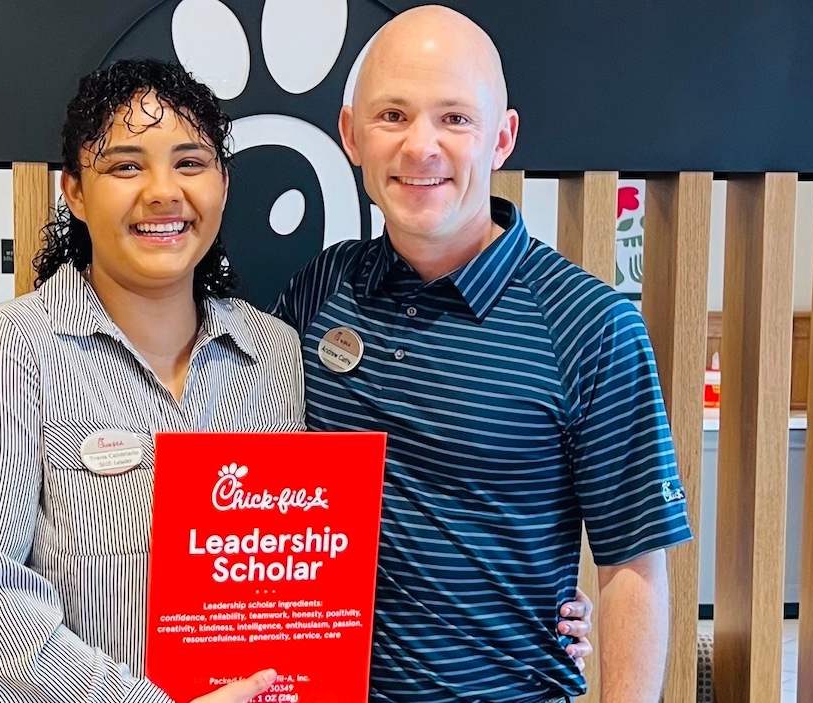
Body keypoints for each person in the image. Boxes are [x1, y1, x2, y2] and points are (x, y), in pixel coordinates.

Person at [272, 6, 692, 702]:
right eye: (392, 115)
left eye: (455, 119)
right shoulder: (318, 288)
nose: (420, 146)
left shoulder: (592, 324)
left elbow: (632, 568)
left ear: (501, 138)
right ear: (351, 134)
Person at [0, 59, 298, 703]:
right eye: (125, 165)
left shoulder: (275, 355)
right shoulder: (10, 351)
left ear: (224, 185)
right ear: (75, 192)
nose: (163, 192)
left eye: (190, 162)